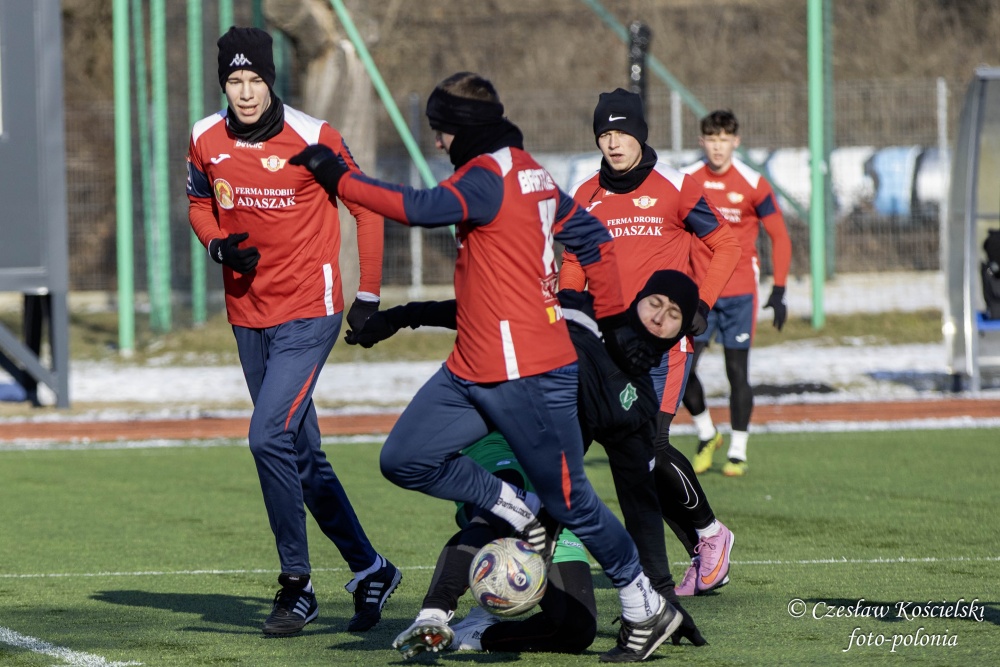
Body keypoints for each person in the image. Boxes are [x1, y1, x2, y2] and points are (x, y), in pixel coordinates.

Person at [291, 72, 682, 662]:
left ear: (464, 128)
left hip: (528, 374)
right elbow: (594, 239)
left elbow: (417, 208)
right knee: (403, 459)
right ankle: (515, 508)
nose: (437, 141)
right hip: (471, 368)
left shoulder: (491, 175)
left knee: (572, 503)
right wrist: (612, 321)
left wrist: (339, 177)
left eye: (441, 130)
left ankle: (643, 605)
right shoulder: (528, 170)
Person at [343, 270, 707, 657]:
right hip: (495, 434)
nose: (658, 317)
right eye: (654, 303)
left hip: (555, 494)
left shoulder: (637, 402)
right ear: (637, 300)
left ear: (681, 332)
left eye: (673, 315)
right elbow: (485, 315)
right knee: (509, 495)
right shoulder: (579, 311)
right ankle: (433, 616)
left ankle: (474, 634)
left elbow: (640, 505)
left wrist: (663, 596)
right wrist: (400, 317)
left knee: (576, 630)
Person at [185, 26, 400, 636]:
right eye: (234, 80)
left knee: (266, 438)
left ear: (271, 80)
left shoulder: (313, 137)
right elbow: (199, 204)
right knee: (299, 453)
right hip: (246, 313)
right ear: (223, 83)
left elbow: (367, 206)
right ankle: (371, 568)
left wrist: (367, 296)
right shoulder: (205, 137)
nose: (245, 92)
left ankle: (296, 585)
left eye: (255, 79)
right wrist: (217, 245)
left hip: (310, 310)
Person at [560, 89, 740, 597]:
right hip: (607, 348)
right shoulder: (585, 194)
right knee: (626, 452)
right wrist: (568, 314)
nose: (613, 142)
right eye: (604, 134)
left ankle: (711, 534)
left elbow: (725, 245)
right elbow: (572, 264)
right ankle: (698, 547)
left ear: (640, 134)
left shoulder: (676, 186)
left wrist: (700, 306)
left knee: (652, 446)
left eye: (622, 132)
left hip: (664, 346)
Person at [680, 110, 792, 477]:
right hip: (699, 295)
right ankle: (706, 433)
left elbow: (779, 235)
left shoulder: (753, 183)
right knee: (682, 369)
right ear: (702, 141)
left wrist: (779, 289)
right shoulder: (687, 180)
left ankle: (738, 450)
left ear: (736, 141)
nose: (718, 147)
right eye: (712, 139)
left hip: (740, 292)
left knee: (736, 372)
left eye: (724, 139)